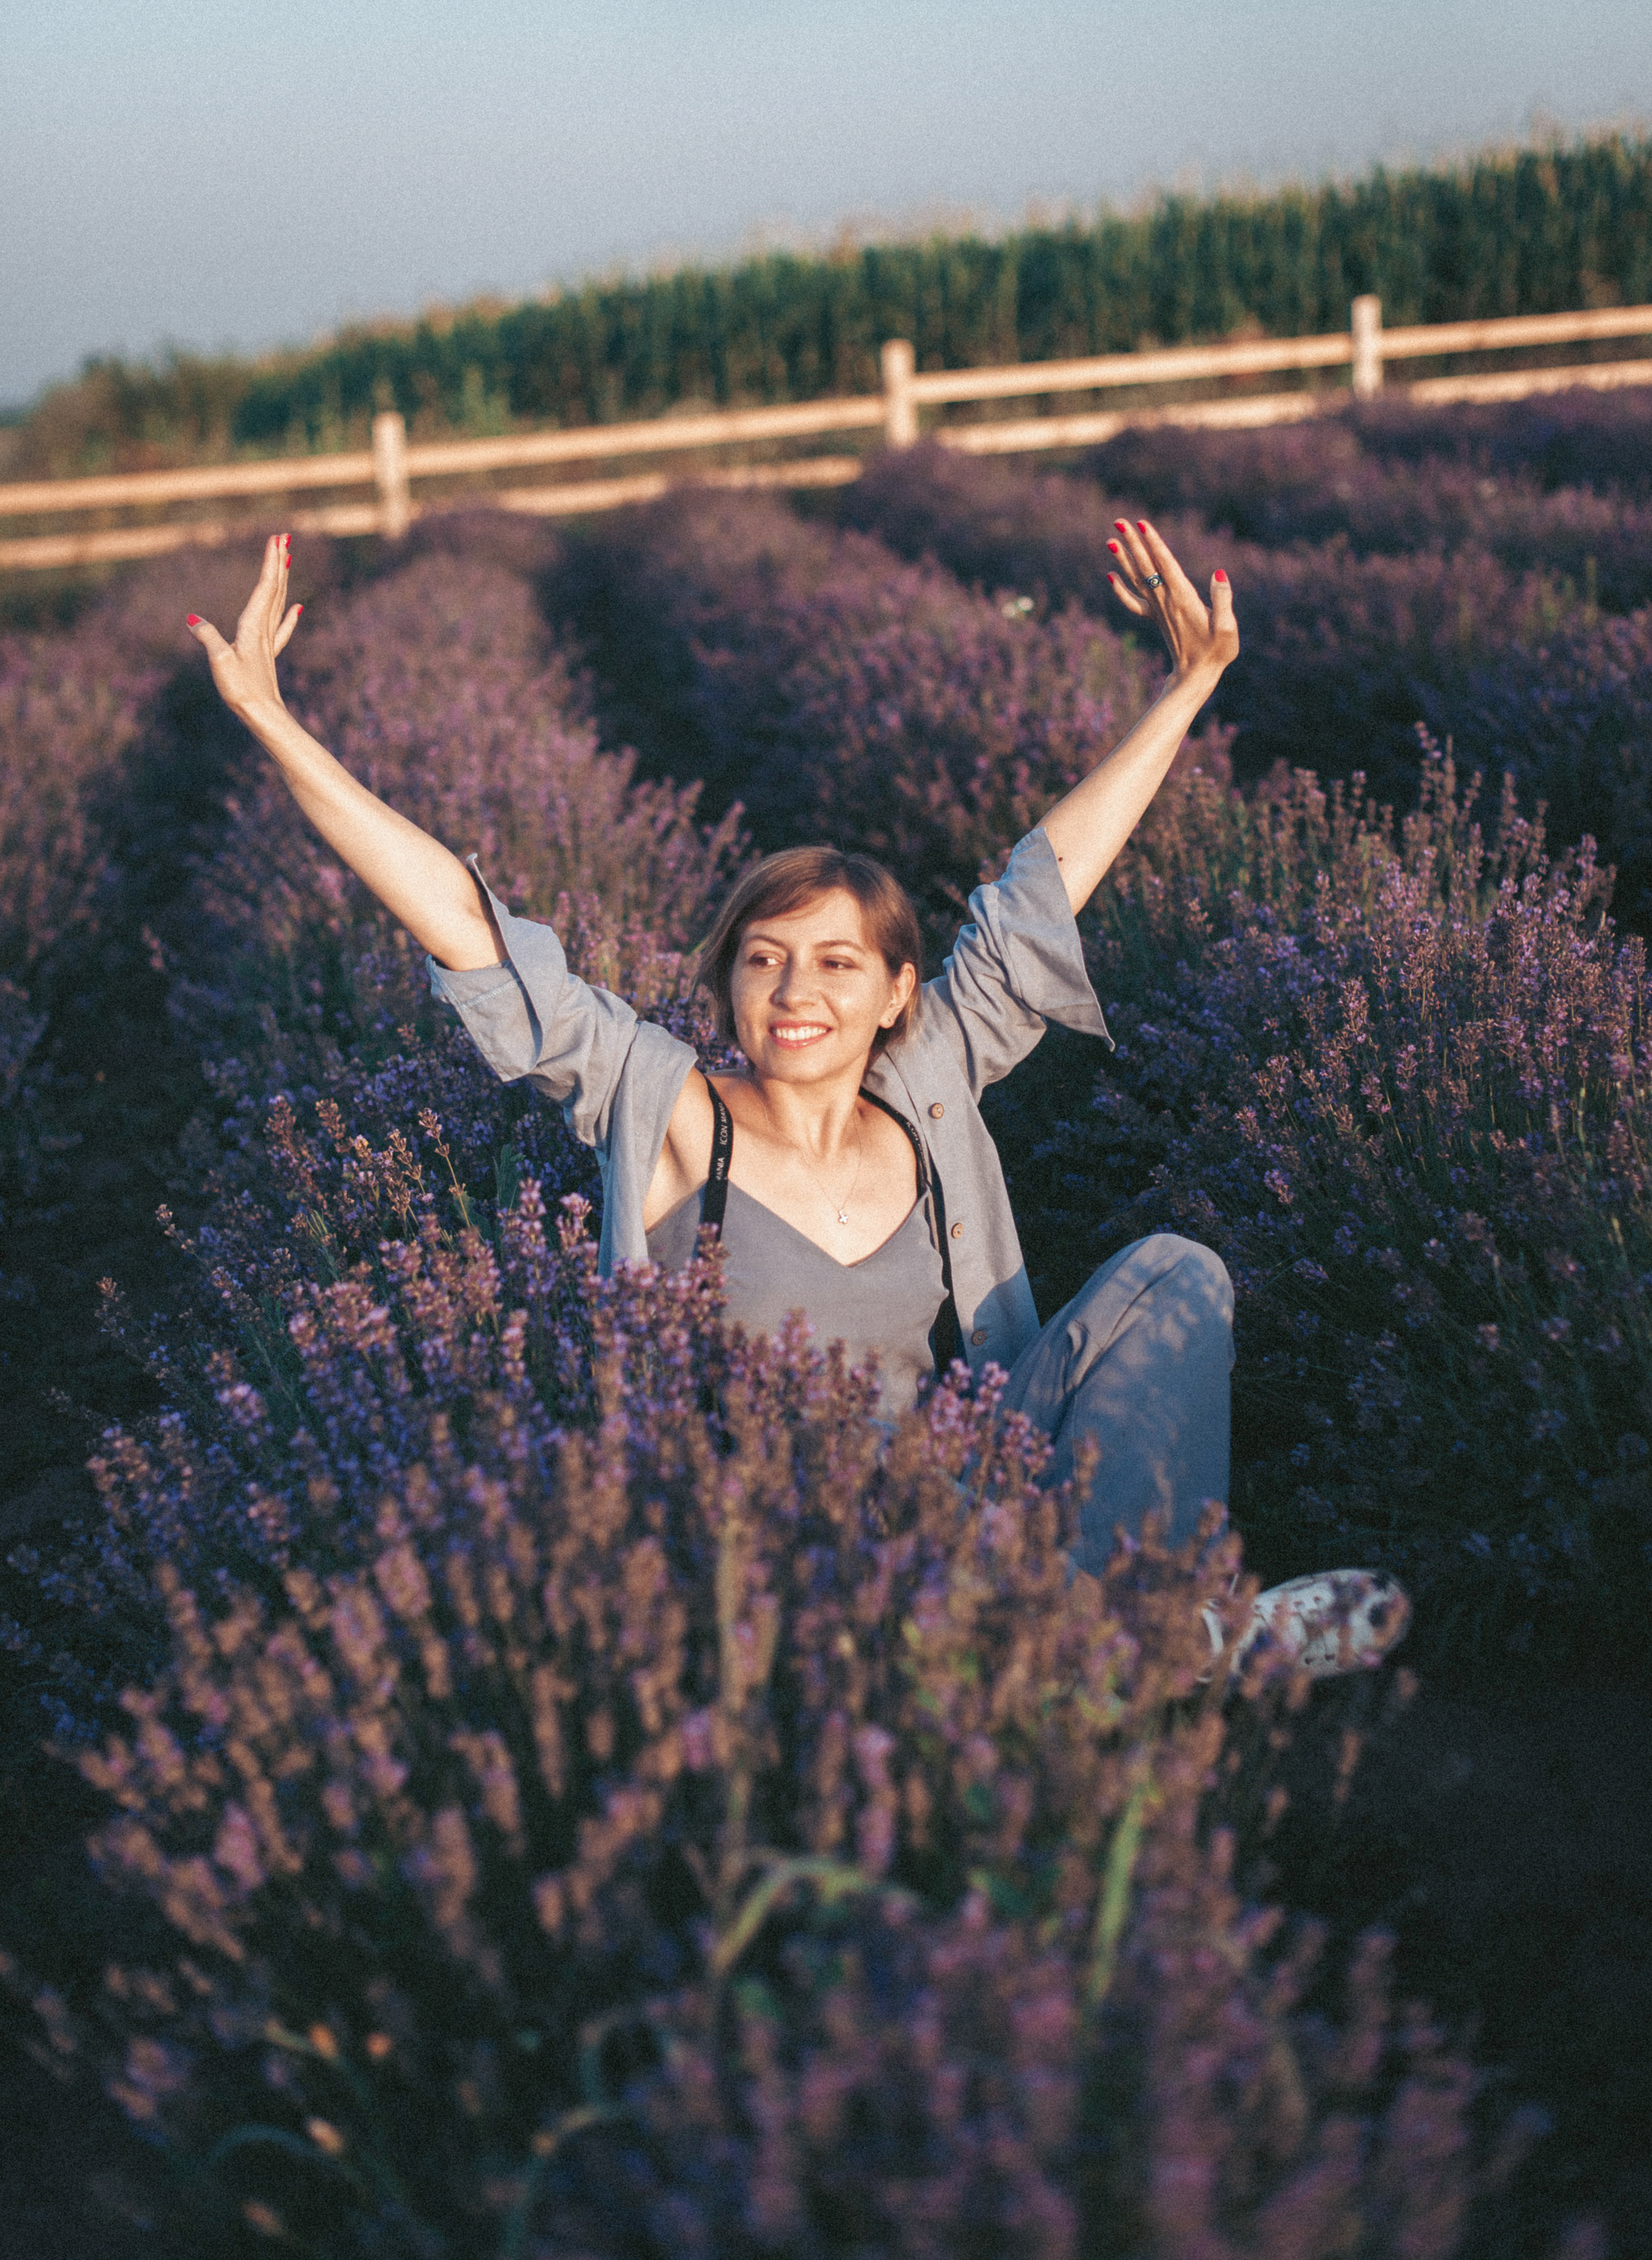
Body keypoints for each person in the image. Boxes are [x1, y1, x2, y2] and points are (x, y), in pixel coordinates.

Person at [187, 521, 1407, 1679]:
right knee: (881, 1484)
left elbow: (1042, 890)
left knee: (1179, 1271)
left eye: (835, 962)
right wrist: (271, 723)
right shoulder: (674, 1115)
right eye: (763, 959)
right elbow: (471, 927)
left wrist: (1189, 687)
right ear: (727, 986)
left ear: (896, 991)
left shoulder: (926, 1081)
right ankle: (1150, 1653)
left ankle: (1112, 1642)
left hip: (974, 1481)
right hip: (802, 1537)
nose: (795, 990)